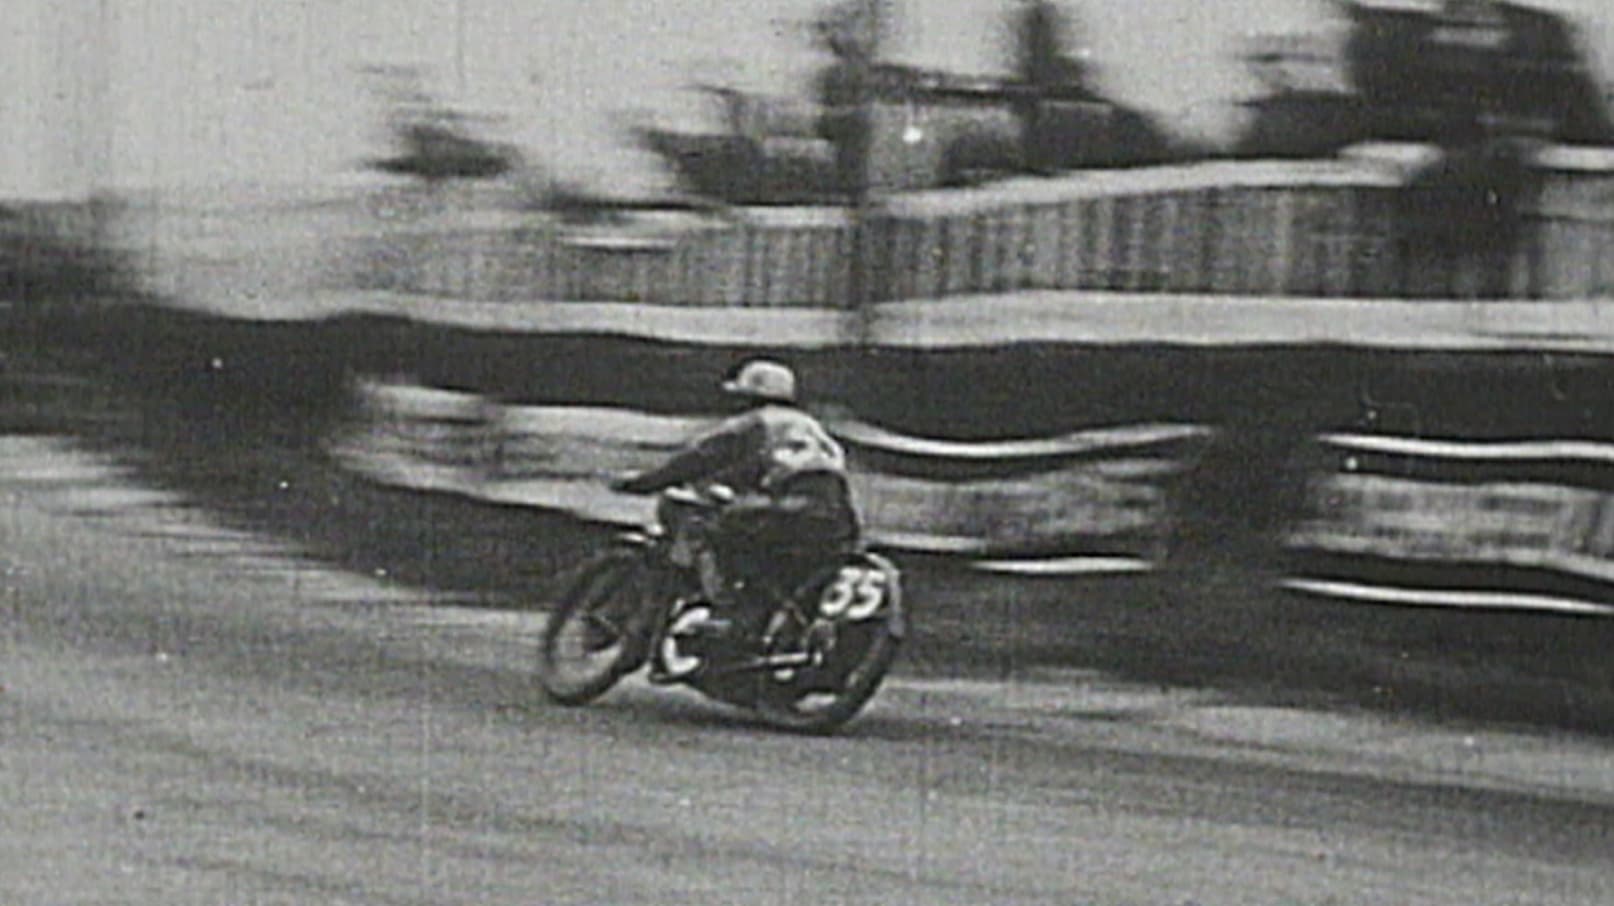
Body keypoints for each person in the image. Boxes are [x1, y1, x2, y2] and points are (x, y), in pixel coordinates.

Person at [611, 359, 861, 646]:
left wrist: (644, 482)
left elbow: (698, 458)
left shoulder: (755, 424)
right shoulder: (811, 428)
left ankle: (725, 610)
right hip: (837, 518)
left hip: (786, 509)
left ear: (749, 396)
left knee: (710, 529)